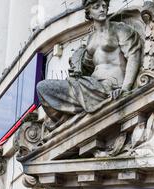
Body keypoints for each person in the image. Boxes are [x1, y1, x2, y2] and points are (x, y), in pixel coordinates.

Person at [36, 0, 142, 131]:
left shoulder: (119, 29)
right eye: (97, 7)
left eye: (104, 6)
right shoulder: (90, 39)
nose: (102, 9)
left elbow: (133, 56)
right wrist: (77, 61)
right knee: (43, 88)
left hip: (109, 87)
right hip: (91, 86)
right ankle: (65, 121)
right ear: (89, 13)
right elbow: (86, 67)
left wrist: (125, 88)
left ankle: (72, 117)